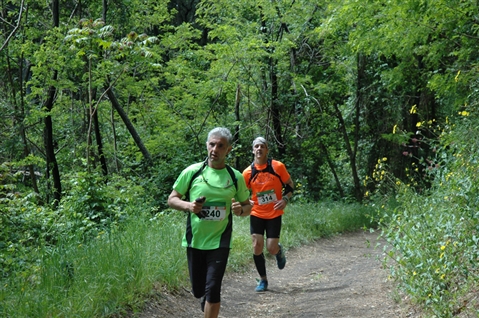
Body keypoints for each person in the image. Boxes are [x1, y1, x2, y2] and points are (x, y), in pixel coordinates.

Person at [167, 127, 252, 318]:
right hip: (195, 240)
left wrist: (240, 210)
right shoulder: (193, 172)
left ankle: (209, 304)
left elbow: (247, 207)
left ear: (228, 149)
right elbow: (172, 199)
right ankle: (204, 300)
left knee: (213, 288)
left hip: (220, 242)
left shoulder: (235, 177)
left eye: (220, 146)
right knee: (199, 290)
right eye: (212, 144)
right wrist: (189, 206)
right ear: (207, 145)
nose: (215, 149)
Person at [242, 137, 294, 292]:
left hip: (274, 213)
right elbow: (240, 193)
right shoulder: (247, 172)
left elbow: (290, 185)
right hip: (257, 213)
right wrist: (246, 202)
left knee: (270, 248)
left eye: (262, 146)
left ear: (267, 150)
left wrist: (285, 199)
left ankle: (278, 250)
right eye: (256, 146)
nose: (259, 149)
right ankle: (263, 280)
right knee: (257, 246)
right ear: (253, 150)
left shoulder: (277, 167)